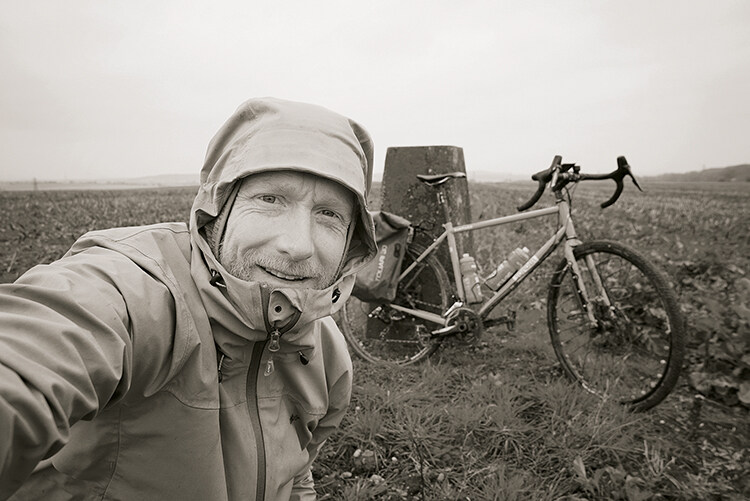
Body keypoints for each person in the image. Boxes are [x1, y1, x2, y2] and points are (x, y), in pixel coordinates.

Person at [0, 97, 377, 500]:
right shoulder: (135, 290)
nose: (298, 245)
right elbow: (33, 355)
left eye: (329, 215)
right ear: (218, 208)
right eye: (270, 199)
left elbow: (297, 476)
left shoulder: (328, 358)